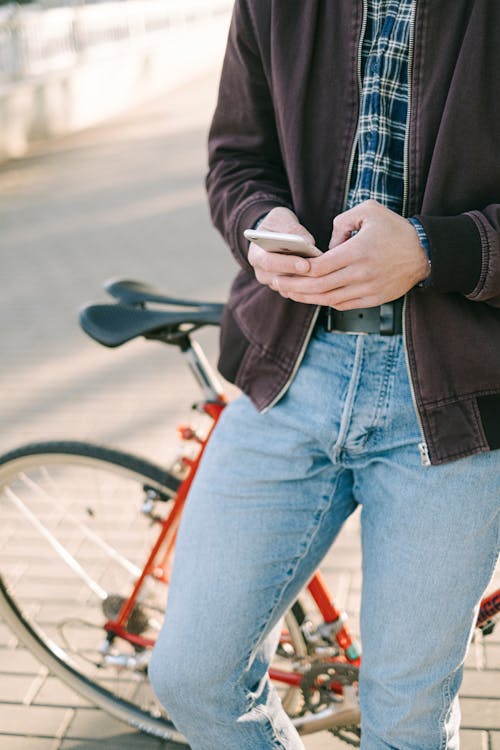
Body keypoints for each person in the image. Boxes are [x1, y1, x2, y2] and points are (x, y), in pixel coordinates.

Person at [149, 2, 500, 747]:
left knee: (406, 723)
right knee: (193, 676)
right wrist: (260, 226)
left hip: (457, 401)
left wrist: (436, 250)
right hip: (288, 372)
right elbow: (235, 161)